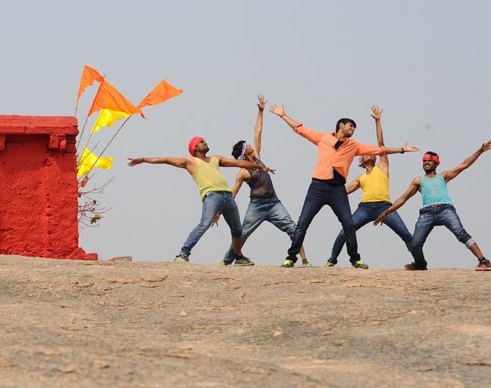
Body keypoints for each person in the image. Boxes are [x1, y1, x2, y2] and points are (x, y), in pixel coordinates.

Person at [269, 103, 386, 269]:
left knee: (348, 224)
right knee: (302, 223)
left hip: (338, 189)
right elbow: (300, 129)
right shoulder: (323, 137)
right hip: (317, 187)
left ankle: (355, 259)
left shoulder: (354, 145)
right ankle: (290, 258)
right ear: (341, 126)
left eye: (354, 128)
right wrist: (283, 115)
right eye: (351, 126)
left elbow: (380, 150)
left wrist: (402, 150)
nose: (353, 129)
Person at [128, 137, 275, 265]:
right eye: (201, 142)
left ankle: (238, 257)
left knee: (237, 229)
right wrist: (143, 160)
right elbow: (165, 160)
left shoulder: (216, 159)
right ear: (195, 148)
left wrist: (260, 166)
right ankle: (183, 254)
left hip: (228, 196)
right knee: (204, 224)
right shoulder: (190, 161)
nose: (205, 142)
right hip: (212, 196)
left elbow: (239, 164)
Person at [212, 95, 310, 266]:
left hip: (274, 203)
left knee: (293, 229)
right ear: (244, 152)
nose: (251, 145)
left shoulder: (257, 157)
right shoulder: (243, 172)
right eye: (247, 146)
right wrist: (219, 212)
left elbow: (258, 131)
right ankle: (227, 260)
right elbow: (232, 194)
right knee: (242, 233)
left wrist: (260, 111)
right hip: (256, 206)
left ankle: (304, 260)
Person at [373, 141, 491, 271]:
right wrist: (386, 213)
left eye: (429, 160)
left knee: (461, 233)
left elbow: (465, 165)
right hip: (427, 213)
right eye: (424, 161)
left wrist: (480, 151)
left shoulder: (444, 176)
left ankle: (484, 261)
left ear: (436, 163)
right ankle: (420, 264)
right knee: (415, 244)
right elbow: (403, 198)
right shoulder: (418, 180)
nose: (426, 162)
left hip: (445, 209)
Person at [326, 106, 419, 267]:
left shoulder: (382, 167)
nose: (369, 153)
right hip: (365, 209)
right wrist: (327, 195)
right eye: (365, 154)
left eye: (371, 153)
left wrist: (378, 121)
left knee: (405, 234)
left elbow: (381, 145)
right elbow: (343, 191)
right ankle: (331, 261)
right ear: (361, 161)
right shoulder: (360, 177)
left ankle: (419, 262)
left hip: (385, 207)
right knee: (345, 231)